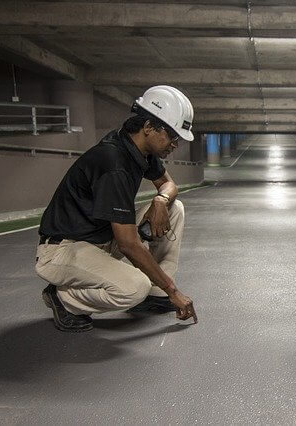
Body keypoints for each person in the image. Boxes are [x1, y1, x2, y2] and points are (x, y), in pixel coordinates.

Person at [36, 85, 198, 332]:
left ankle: (156, 292)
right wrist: (173, 291)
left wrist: (161, 200)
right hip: (63, 249)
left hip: (100, 239)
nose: (175, 144)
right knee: (134, 288)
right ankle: (65, 299)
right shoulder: (113, 163)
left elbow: (168, 184)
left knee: (175, 209)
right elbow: (128, 244)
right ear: (148, 127)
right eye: (172, 135)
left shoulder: (138, 149)